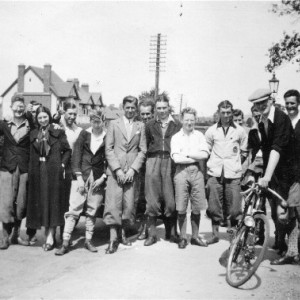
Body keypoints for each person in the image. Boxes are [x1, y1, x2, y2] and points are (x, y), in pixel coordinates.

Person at [248, 89, 296, 261]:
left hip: (288, 173)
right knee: (276, 214)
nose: (261, 107)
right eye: (257, 104)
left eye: (264, 103)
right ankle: (285, 247)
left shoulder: (281, 118)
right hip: (274, 172)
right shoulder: (262, 120)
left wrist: (266, 176)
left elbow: (277, 149)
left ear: (271, 100)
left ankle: (292, 250)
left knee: (284, 212)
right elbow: (264, 150)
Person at [55, 110, 106, 255]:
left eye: (99, 120)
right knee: (74, 209)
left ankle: (88, 240)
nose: (96, 123)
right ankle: (65, 242)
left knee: (92, 210)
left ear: (103, 121)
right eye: (93, 120)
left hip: (97, 178)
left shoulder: (107, 136)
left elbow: (108, 158)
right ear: (90, 121)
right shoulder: (84, 134)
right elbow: (75, 156)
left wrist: (103, 178)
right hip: (81, 176)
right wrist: (78, 177)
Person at [103, 96, 146, 254]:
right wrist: (118, 170)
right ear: (123, 107)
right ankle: (113, 239)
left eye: (133, 108)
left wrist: (133, 169)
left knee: (128, 207)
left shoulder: (140, 126)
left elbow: (143, 150)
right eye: (127, 107)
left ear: (136, 109)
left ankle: (122, 233)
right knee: (113, 205)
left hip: (131, 173)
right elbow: (108, 149)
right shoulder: (113, 124)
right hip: (116, 173)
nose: (130, 110)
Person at [26, 106, 71, 251]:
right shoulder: (33, 133)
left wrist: (62, 165)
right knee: (43, 203)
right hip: (38, 171)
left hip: (53, 171)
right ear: (36, 120)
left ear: (49, 117)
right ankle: (47, 234)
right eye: (40, 118)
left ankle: (50, 236)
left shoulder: (58, 131)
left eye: (45, 117)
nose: (43, 120)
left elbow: (67, 150)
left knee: (52, 203)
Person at [205, 100, 248, 244]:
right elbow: (206, 150)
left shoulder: (239, 130)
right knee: (213, 206)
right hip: (215, 173)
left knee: (235, 208)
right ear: (218, 113)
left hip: (233, 173)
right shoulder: (211, 130)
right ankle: (215, 235)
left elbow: (244, 150)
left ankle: (233, 236)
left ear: (232, 112)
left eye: (228, 112)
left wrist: (235, 164)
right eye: (223, 112)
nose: (226, 115)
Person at [144, 94, 182, 246]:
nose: (161, 111)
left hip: (171, 161)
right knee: (152, 200)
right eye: (158, 108)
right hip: (153, 160)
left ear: (169, 107)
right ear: (155, 109)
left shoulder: (177, 125)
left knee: (170, 200)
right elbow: (145, 145)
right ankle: (152, 235)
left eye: (164, 108)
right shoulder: (150, 125)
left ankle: (171, 233)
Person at [0, 95, 35, 249]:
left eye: (21, 106)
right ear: (11, 107)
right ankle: (4, 237)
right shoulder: (3, 124)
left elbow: (44, 123)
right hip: (7, 167)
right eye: (16, 106)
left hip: (24, 168)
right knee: (5, 203)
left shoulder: (30, 125)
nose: (19, 109)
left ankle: (15, 234)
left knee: (21, 203)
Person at [171, 107, 209, 249]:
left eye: (192, 120)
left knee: (197, 207)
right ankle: (182, 237)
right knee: (181, 207)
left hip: (196, 171)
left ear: (195, 120)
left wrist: (186, 154)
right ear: (182, 120)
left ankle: (194, 237)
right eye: (186, 119)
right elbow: (176, 158)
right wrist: (194, 154)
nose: (189, 122)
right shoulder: (176, 137)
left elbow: (204, 154)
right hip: (181, 172)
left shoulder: (199, 136)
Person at [270, 89, 300, 265]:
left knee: (293, 209)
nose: (290, 106)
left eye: (293, 103)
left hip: (298, 174)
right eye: (287, 103)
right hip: (285, 174)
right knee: (288, 212)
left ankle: (292, 251)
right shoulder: (283, 121)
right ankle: (292, 251)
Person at [136, 98, 155, 240]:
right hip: (137, 168)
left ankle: (147, 229)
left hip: (150, 167)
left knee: (149, 199)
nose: (145, 117)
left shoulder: (155, 127)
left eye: (148, 114)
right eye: (143, 114)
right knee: (139, 200)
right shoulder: (136, 127)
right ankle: (141, 226)